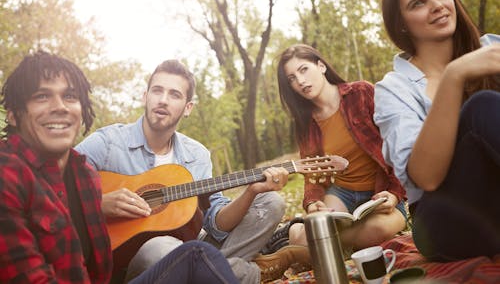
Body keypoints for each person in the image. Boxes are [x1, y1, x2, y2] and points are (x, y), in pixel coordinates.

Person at [0, 51, 239, 283]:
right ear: (12, 115)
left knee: (195, 254)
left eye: (70, 97)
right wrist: (101, 205)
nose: (59, 107)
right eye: (42, 96)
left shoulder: (83, 174)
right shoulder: (8, 176)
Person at [75, 59, 310, 283]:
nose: (163, 100)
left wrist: (251, 192)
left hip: (190, 247)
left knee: (270, 201)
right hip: (126, 265)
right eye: (157, 91)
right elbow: (50, 184)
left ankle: (214, 272)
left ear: (188, 108)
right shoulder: (108, 143)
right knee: (163, 248)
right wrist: (99, 204)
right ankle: (248, 274)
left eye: (174, 94)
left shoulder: (195, 155)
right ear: (145, 97)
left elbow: (216, 225)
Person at [374, 0, 500, 261]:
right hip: (444, 222)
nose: (437, 6)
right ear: (401, 23)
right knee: (481, 107)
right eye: (418, 3)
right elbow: (426, 178)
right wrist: (454, 76)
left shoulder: (492, 47)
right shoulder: (393, 89)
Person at [274, 44, 407, 255]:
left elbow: (398, 145)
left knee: (378, 229)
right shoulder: (305, 123)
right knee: (308, 233)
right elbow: (313, 175)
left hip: (381, 194)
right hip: (342, 194)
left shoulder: (362, 93)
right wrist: (313, 203)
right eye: (291, 78)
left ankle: (318, 244)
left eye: (303, 69)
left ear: (321, 66)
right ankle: (308, 238)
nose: (300, 81)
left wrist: (394, 194)